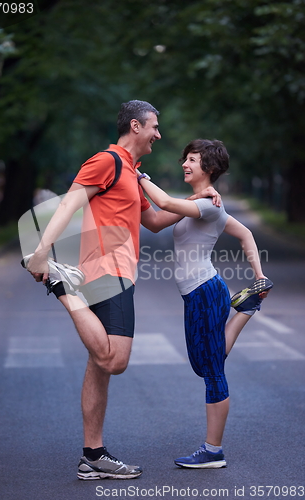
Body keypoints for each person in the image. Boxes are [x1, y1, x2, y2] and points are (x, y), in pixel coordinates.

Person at [22, 101, 220, 479]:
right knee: (116, 360)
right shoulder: (107, 162)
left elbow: (157, 220)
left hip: (119, 272)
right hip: (105, 270)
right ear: (136, 125)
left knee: (100, 364)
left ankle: (93, 455)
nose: (159, 135)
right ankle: (61, 285)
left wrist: (193, 202)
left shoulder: (130, 171)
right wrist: (43, 253)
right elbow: (68, 204)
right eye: (155, 127)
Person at [136, 138, 273, 469]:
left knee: (212, 370)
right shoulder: (200, 202)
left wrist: (138, 176)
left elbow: (166, 203)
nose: (185, 164)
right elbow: (153, 221)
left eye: (192, 160)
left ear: (209, 169)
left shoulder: (209, 206)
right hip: (194, 294)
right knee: (202, 363)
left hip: (206, 291)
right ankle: (245, 309)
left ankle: (213, 450)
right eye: (185, 158)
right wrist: (259, 276)